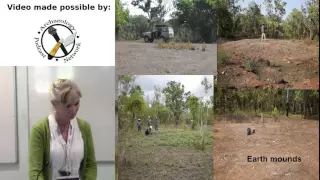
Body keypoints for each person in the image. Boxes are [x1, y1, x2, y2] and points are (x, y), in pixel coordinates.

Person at [29, 79, 97, 180]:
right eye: (68, 106)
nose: (74, 110)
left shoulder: (84, 127)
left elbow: (90, 165)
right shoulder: (39, 130)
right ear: (54, 104)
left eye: (77, 103)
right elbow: (35, 172)